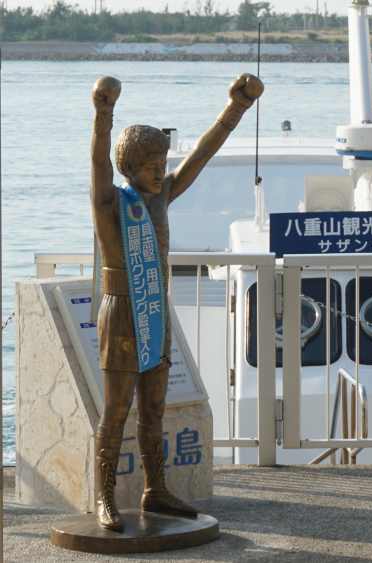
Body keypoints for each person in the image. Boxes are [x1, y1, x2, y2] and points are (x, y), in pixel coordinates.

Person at [90, 73, 264, 531]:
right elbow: (98, 164)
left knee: (154, 407)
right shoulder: (110, 203)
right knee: (116, 411)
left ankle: (157, 489)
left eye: (161, 162)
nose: (158, 170)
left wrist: (236, 107)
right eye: (150, 164)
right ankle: (104, 497)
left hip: (155, 309)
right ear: (130, 167)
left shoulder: (162, 195)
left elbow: (201, 155)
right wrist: (103, 114)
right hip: (122, 310)